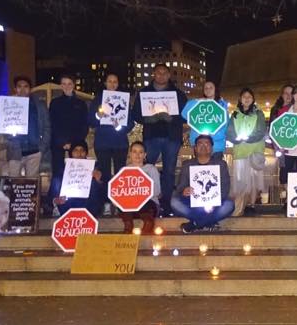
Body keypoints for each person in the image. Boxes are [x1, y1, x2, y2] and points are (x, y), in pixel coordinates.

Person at [133, 63, 188, 215]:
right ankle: (146, 202)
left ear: (169, 75)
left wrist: (172, 118)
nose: (161, 75)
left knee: (169, 172)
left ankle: (167, 205)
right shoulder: (144, 93)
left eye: (165, 73)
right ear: (153, 74)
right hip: (151, 136)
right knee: (146, 170)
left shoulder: (178, 94)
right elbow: (136, 114)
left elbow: (185, 115)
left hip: (171, 137)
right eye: (158, 73)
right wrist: (148, 119)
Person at [171, 135, 235, 233]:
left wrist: (213, 201)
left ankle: (195, 224)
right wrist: (184, 190)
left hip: (214, 203)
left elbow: (225, 187)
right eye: (200, 144)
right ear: (195, 148)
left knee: (229, 205)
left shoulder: (221, 164)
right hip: (193, 203)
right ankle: (209, 222)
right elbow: (180, 186)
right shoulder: (187, 164)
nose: (203, 146)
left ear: (212, 148)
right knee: (174, 202)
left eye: (207, 144)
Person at [47, 74, 89, 212]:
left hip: (76, 143)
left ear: (74, 85)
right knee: (58, 174)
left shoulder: (81, 104)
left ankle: (79, 202)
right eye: (63, 83)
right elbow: (52, 124)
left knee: (77, 173)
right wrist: (62, 141)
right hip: (58, 143)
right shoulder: (55, 102)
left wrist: (73, 142)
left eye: (69, 83)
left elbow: (84, 125)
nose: (66, 86)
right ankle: (54, 203)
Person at [227, 88, 267, 216]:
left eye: (249, 96)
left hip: (255, 150)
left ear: (253, 99)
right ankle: (239, 207)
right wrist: (236, 140)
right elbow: (230, 131)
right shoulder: (235, 114)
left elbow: (261, 130)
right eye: (244, 96)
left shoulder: (259, 113)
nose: (247, 99)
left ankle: (251, 204)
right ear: (240, 99)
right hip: (240, 150)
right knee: (240, 180)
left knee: (254, 178)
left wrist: (248, 138)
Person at [89, 73, 133, 190]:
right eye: (110, 81)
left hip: (120, 143)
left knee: (120, 174)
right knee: (104, 174)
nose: (112, 84)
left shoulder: (124, 99)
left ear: (118, 84)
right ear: (105, 83)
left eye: (115, 82)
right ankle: (106, 201)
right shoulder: (98, 99)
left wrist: (119, 127)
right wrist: (98, 116)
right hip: (102, 143)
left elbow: (130, 123)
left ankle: (119, 202)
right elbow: (91, 121)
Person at [5, 75, 50, 178]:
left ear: (30, 89)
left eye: (26, 86)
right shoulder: (8, 106)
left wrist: (42, 148)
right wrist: (10, 141)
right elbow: (4, 128)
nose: (22, 89)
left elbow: (47, 127)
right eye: (19, 86)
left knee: (31, 185)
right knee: (13, 182)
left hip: (35, 151)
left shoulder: (39, 105)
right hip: (15, 151)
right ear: (15, 89)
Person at [50, 141, 106, 216]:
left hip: (89, 208)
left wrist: (99, 181)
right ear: (71, 153)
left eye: (82, 150)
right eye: (75, 150)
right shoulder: (62, 171)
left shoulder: (95, 168)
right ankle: (58, 209)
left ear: (86, 153)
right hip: (67, 206)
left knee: (94, 183)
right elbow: (52, 191)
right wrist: (55, 200)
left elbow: (104, 192)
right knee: (57, 180)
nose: (79, 153)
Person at [118, 141, 161, 235]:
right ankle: (128, 224)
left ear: (145, 154)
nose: (137, 155)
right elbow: (118, 191)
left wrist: (141, 194)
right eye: (134, 151)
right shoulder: (124, 170)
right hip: (130, 207)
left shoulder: (151, 169)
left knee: (147, 204)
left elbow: (157, 191)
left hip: (148, 204)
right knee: (122, 203)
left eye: (141, 152)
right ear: (130, 154)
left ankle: (148, 222)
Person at [181, 81, 230, 152]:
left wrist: (210, 137)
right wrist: (197, 101)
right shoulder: (198, 104)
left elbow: (225, 126)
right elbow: (184, 114)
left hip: (216, 146)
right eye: (205, 88)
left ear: (215, 89)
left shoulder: (222, 107)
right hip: (199, 145)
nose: (208, 89)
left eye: (211, 87)